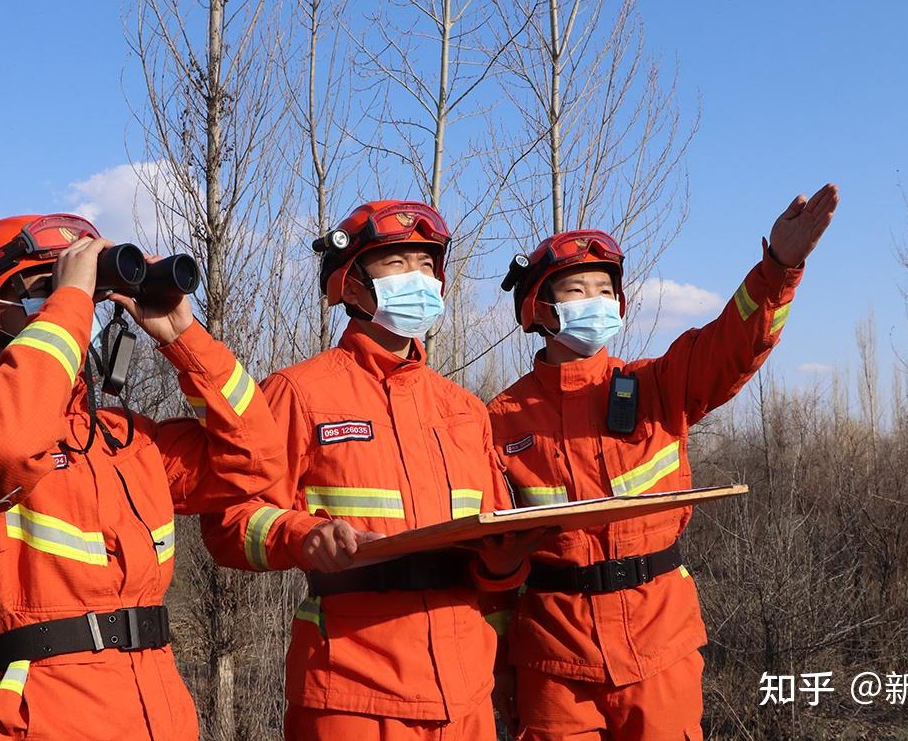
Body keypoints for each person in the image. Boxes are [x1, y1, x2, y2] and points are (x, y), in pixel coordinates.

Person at [487, 185, 840, 740]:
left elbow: (731, 345)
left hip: (660, 647)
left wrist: (778, 268)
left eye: (605, 290)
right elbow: (490, 562)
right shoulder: (500, 420)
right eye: (577, 289)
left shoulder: (657, 386)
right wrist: (499, 666)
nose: (596, 301)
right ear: (539, 308)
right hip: (553, 660)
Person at [0, 213, 282, 741]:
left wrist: (183, 337)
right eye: (48, 286)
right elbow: (10, 441)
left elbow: (256, 459)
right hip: (48, 718)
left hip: (162, 712)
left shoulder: (125, 438)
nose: (79, 298)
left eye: (84, 286)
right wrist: (70, 301)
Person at [200, 200, 536, 740]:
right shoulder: (298, 393)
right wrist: (303, 536)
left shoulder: (464, 410)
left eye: (427, 265)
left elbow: (497, 545)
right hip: (351, 692)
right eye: (397, 263)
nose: (418, 278)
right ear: (351, 286)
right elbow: (229, 521)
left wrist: (504, 572)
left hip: (466, 697)